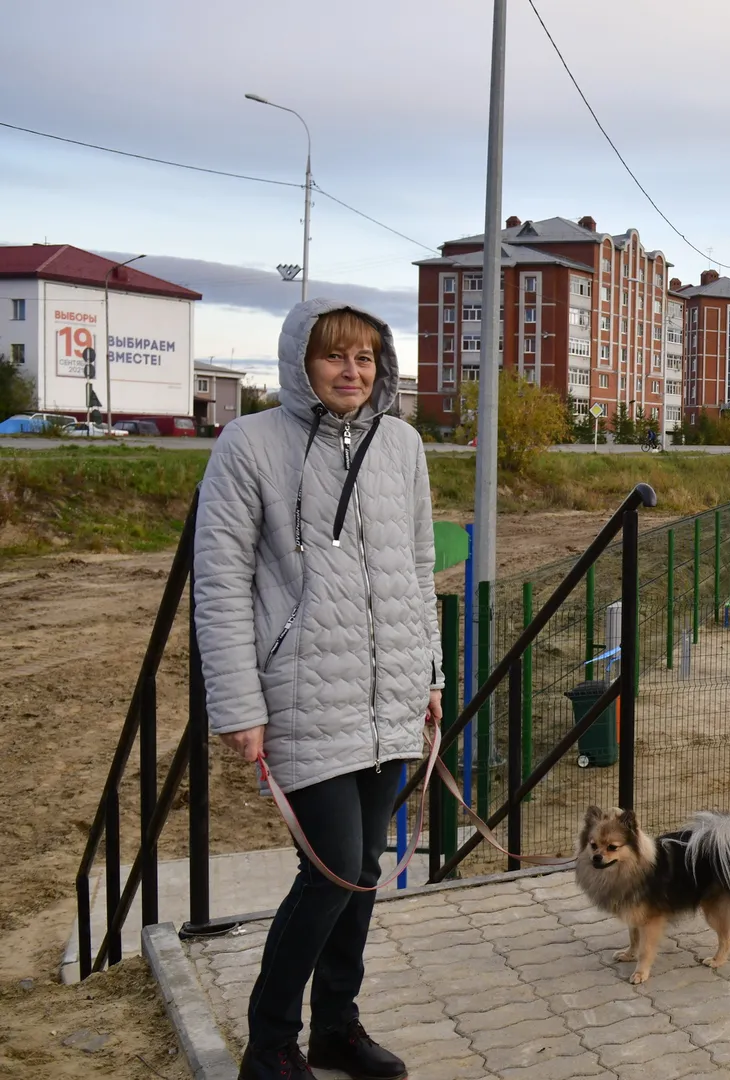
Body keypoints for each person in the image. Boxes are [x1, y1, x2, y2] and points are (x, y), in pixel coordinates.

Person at [196, 300, 440, 1080]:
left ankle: (338, 1025)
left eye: (365, 358)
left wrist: (429, 673)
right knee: (332, 862)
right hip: (302, 692)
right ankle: (270, 1043)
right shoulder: (249, 444)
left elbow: (419, 566)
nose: (351, 371)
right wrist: (237, 706)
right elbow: (223, 582)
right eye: (336, 357)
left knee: (365, 864)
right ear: (302, 361)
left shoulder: (401, 445)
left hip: (390, 691)